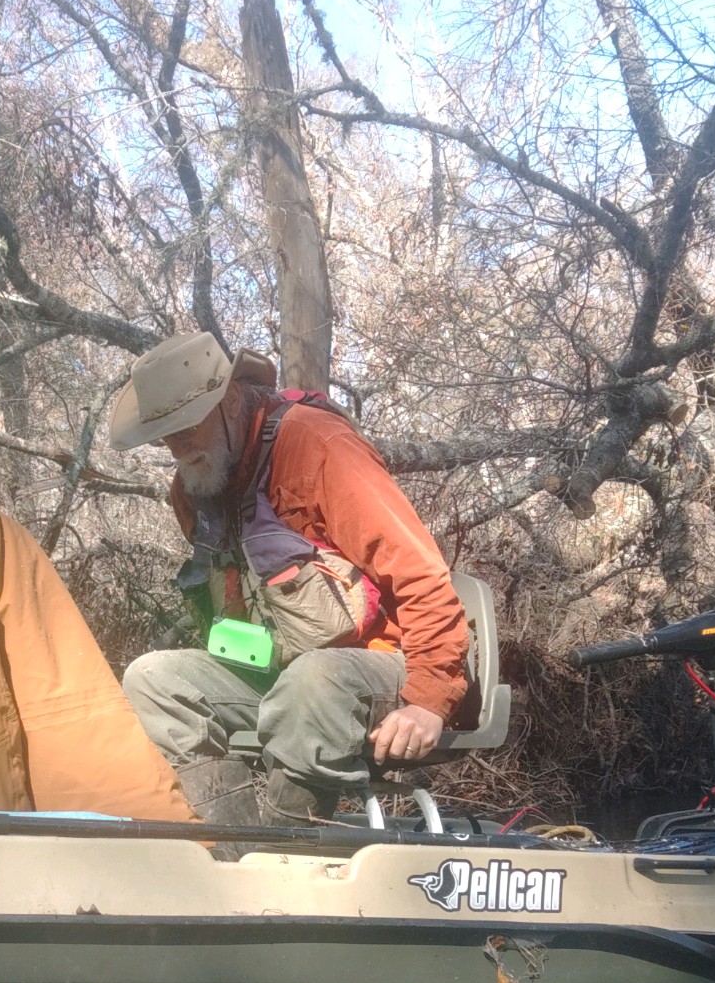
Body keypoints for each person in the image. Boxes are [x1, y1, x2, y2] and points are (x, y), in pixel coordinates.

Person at [110, 330, 472, 825]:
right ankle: (230, 852)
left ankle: (283, 854)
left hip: (384, 666)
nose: (176, 448)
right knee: (150, 678)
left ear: (231, 400)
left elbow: (421, 574)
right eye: (164, 434)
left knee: (311, 680)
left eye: (186, 427)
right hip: (283, 673)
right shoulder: (194, 485)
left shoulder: (319, 445)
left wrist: (430, 699)